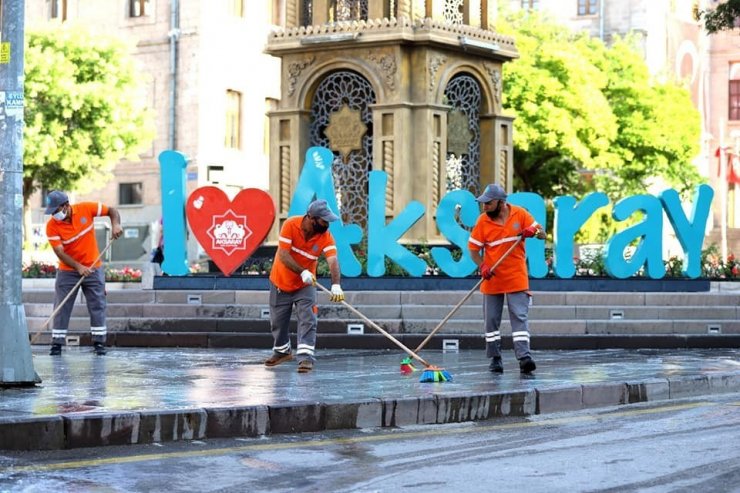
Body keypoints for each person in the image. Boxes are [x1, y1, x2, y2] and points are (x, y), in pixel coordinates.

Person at [468, 183, 546, 374]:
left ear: (501, 203)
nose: (484, 207)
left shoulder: (520, 214)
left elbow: (542, 233)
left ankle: (524, 357)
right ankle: (495, 358)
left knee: (519, 317)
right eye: (483, 203)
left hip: (516, 276)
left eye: (488, 203)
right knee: (491, 321)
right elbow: (473, 250)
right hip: (492, 276)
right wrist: (482, 265)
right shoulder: (482, 222)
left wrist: (532, 232)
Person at [265, 199, 344, 373]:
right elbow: (283, 255)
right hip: (281, 281)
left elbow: (333, 261)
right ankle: (282, 352)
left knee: (308, 318)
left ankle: (306, 358)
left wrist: (336, 285)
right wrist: (302, 271)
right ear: (311, 217)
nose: (327, 224)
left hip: (305, 285)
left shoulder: (325, 236)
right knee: (277, 322)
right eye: (324, 220)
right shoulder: (290, 224)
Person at [44, 191, 123, 356]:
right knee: (61, 306)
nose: (54, 215)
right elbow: (59, 252)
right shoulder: (51, 226)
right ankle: (56, 345)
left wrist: (116, 224)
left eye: (56, 210)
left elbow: (112, 211)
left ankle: (99, 343)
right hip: (67, 270)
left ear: (66, 205)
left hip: (94, 267)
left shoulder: (86, 208)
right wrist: (78, 266)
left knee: (98, 304)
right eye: (51, 211)